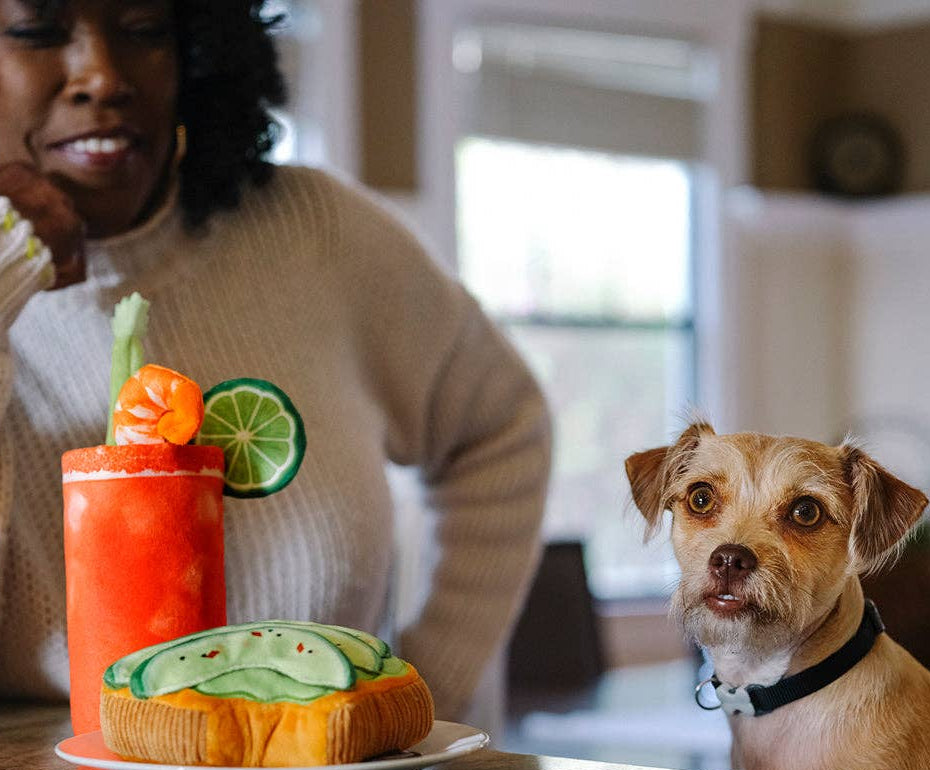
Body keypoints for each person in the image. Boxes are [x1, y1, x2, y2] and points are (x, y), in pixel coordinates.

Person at [0, 0, 551, 728]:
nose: (101, 75)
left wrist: (427, 692)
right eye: (37, 31)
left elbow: (504, 427)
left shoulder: (317, 234)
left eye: (144, 29)